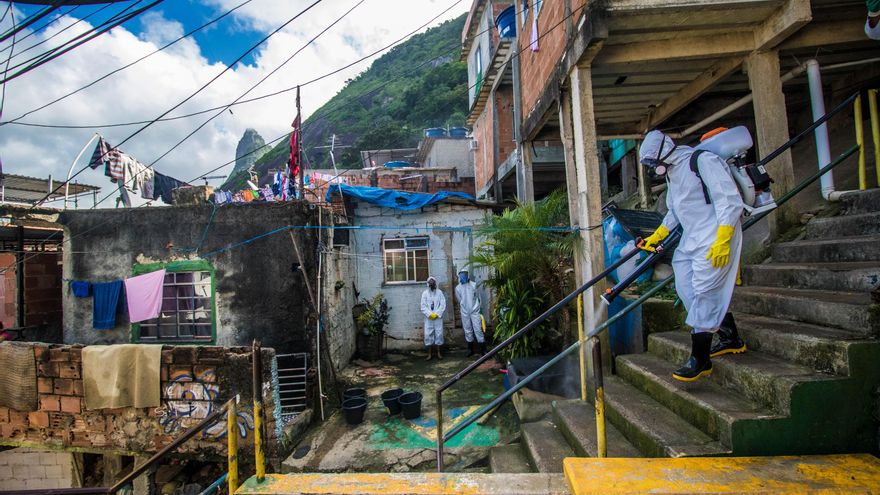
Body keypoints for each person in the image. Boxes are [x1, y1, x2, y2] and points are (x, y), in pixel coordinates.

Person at [638, 130, 747, 382]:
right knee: (686, 288)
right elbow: (675, 210)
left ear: (664, 153)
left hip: (715, 235)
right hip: (692, 238)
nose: (653, 168)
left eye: (653, 162)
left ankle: (700, 359)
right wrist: (658, 235)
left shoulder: (702, 161)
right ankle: (730, 336)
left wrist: (723, 239)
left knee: (704, 291)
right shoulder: (672, 173)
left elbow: (729, 201)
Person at [454, 269, 486, 357]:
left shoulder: (474, 285)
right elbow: (460, 300)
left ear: (467, 274)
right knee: (467, 330)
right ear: (459, 275)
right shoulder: (458, 288)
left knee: (478, 329)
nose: (463, 276)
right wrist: (465, 308)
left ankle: (483, 350)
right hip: (465, 312)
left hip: (475, 311)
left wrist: (479, 309)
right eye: (461, 274)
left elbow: (478, 297)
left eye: (465, 274)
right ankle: (470, 350)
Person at [421, 276, 446, 360]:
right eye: (430, 282)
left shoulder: (439, 293)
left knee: (439, 334)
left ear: (435, 283)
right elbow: (423, 306)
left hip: (438, 318)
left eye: (433, 282)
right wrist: (430, 314)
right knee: (428, 335)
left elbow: (443, 304)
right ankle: (429, 354)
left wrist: (437, 314)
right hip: (428, 318)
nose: (431, 284)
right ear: (428, 284)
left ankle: (438, 353)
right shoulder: (425, 293)